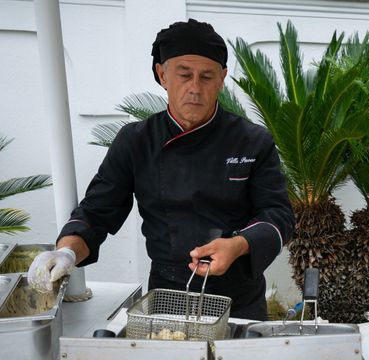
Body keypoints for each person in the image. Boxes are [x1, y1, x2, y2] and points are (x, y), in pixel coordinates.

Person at [28, 19, 295, 320]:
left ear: (222, 79)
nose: (195, 88)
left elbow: (278, 215)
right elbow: (95, 212)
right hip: (167, 299)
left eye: (207, 77)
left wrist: (237, 245)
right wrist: (66, 253)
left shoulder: (252, 140)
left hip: (239, 302)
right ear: (162, 75)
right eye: (184, 75)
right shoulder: (135, 140)